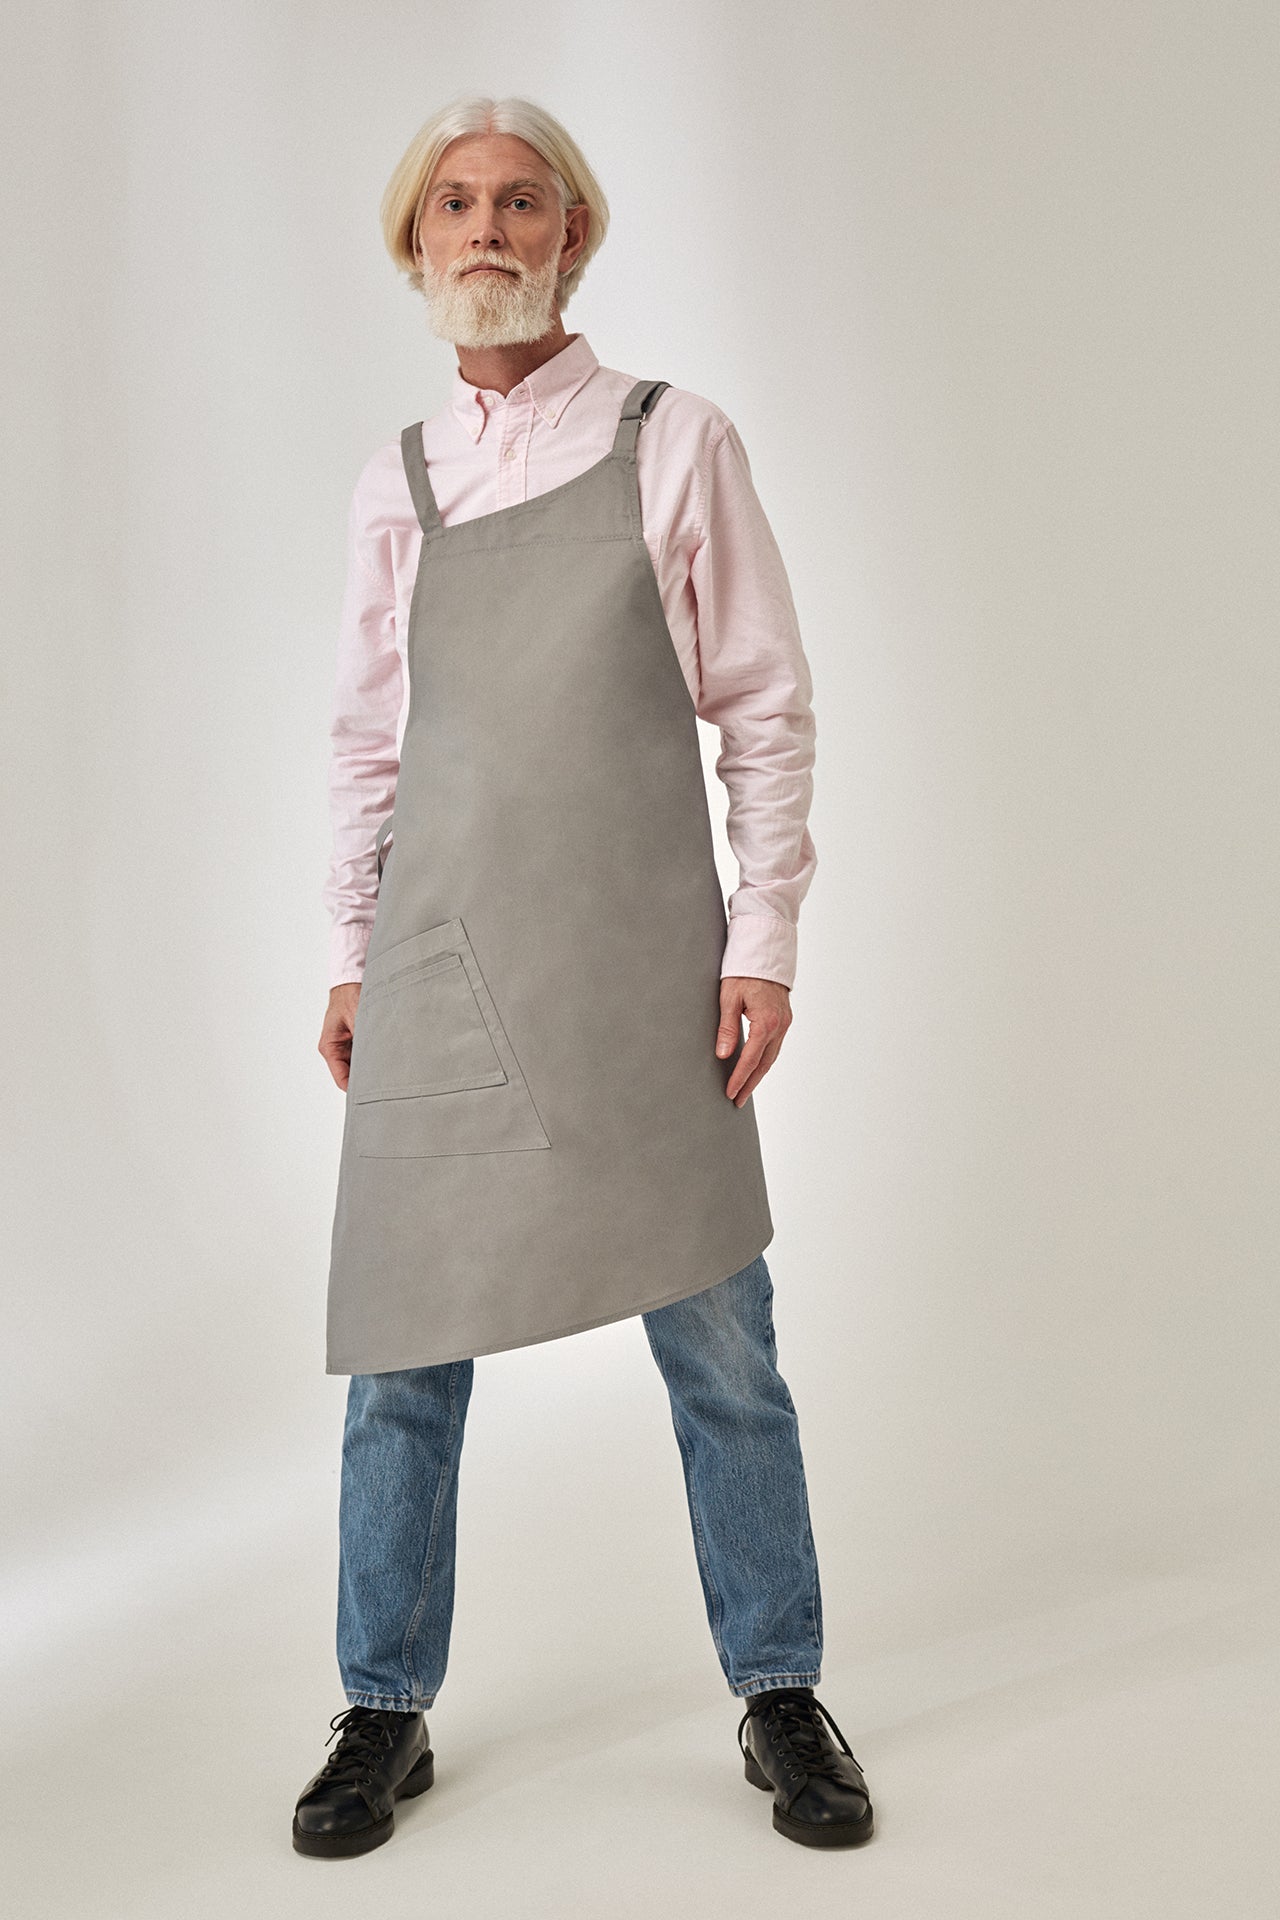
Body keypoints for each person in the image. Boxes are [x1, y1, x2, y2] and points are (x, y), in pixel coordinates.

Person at [294, 93, 874, 1858]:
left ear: (574, 234)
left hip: (640, 966)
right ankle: (382, 1706)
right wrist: (348, 955)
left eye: (522, 202)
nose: (487, 229)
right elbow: (366, 744)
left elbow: (763, 704)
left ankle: (780, 1687)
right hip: (439, 962)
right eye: (455, 205)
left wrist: (764, 940)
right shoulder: (397, 480)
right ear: (417, 244)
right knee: (405, 1357)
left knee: (721, 1343)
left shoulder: (673, 438)